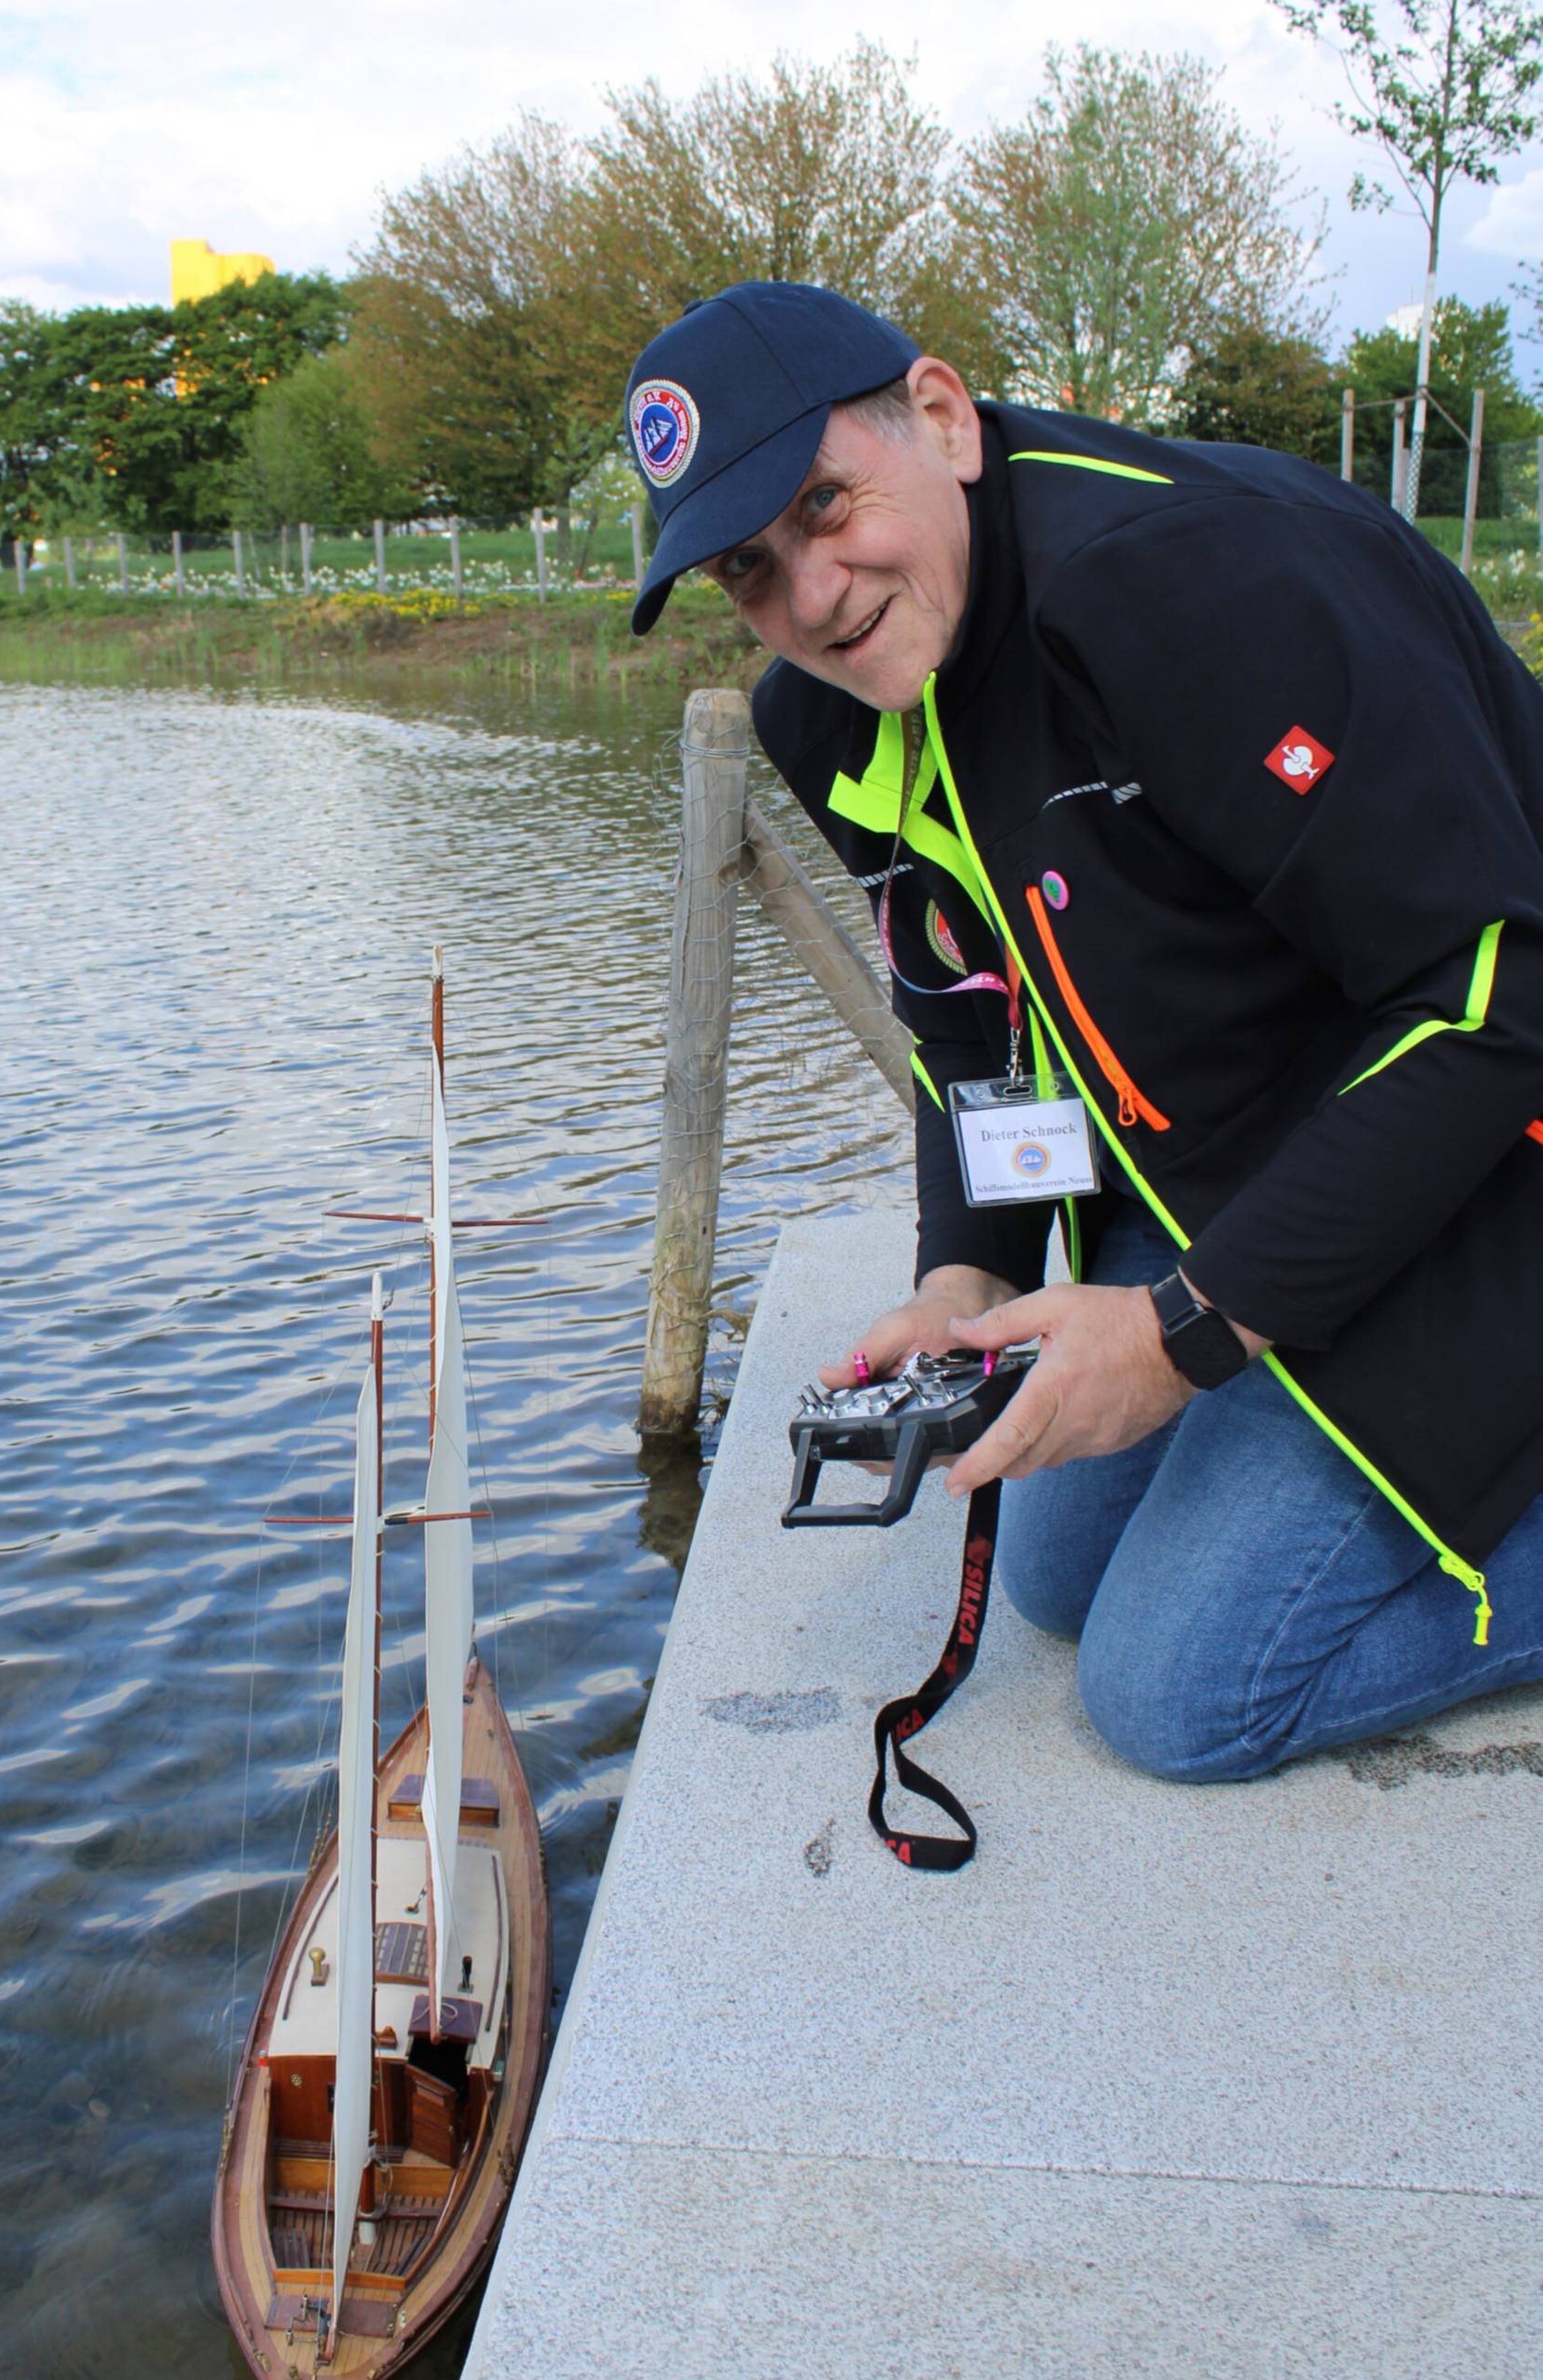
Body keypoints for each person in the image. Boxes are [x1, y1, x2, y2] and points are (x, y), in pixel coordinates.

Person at [625, 281, 1543, 1782]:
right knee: (1048, 1579)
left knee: (1179, 1692)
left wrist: (1184, 1331)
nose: (812, 594)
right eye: (749, 565)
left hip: (1483, 1152)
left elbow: (1500, 998)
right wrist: (961, 1274)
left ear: (940, 414)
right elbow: (967, 1009)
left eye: (823, 503)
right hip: (1251, 1138)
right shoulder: (825, 706)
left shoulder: (1188, 590)